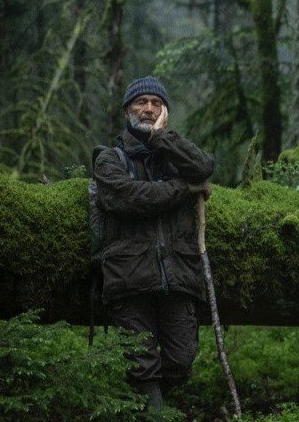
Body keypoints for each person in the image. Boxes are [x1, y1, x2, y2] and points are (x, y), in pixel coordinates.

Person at [93, 76, 214, 411]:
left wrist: (162, 138)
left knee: (182, 359)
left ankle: (153, 404)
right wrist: (183, 190)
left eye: (156, 103)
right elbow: (131, 198)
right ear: (127, 110)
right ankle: (154, 412)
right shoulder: (110, 159)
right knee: (141, 365)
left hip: (178, 277)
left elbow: (205, 166)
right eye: (140, 102)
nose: (148, 109)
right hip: (129, 278)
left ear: (165, 113)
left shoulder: (172, 155)